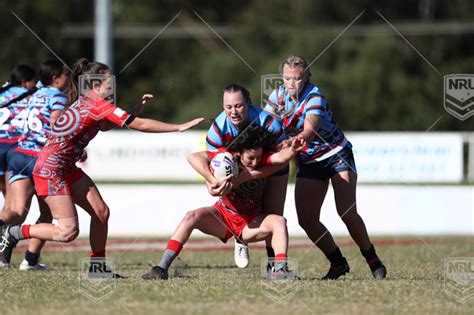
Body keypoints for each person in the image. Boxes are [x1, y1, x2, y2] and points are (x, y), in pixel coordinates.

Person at [0, 58, 204, 276]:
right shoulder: (95, 103)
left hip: (66, 167)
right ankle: (13, 233)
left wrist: (134, 109)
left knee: (101, 213)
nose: (112, 85)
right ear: (95, 85)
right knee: (67, 232)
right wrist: (178, 127)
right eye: (109, 82)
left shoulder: (90, 102)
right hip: (51, 171)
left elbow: (107, 125)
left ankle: (97, 269)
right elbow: (141, 125)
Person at [264, 55, 387, 280]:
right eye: (287, 79)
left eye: (297, 79)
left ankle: (372, 259)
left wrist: (287, 143)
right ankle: (338, 263)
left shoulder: (314, 97)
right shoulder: (277, 96)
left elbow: (309, 133)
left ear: (307, 77)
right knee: (307, 219)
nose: (292, 84)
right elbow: (267, 125)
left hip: (336, 154)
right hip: (310, 161)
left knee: (347, 212)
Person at [142, 124, 305, 280]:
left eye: (258, 158)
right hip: (223, 216)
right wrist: (212, 180)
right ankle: (161, 268)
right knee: (190, 217)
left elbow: (280, 158)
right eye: (250, 158)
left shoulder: (261, 160)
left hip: (251, 221)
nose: (255, 162)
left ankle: (279, 270)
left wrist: (291, 150)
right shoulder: (226, 157)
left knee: (279, 222)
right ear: (239, 153)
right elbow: (193, 157)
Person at [206, 84, 288, 269]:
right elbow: (212, 165)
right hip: (238, 171)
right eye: (229, 107)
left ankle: (275, 268)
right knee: (239, 209)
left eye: (239, 106)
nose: (234, 111)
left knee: (274, 217)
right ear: (223, 107)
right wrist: (210, 182)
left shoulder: (269, 123)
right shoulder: (217, 130)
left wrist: (250, 176)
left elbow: (281, 160)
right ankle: (240, 238)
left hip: (271, 167)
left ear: (249, 104)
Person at [0, 60, 68, 270]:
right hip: (37, 156)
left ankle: (5, 251)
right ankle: (30, 259)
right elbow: (57, 124)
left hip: (18, 154)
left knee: (14, 209)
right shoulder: (54, 95)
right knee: (47, 213)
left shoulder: (18, 92)